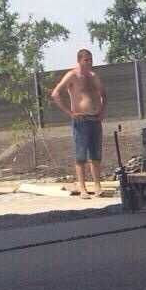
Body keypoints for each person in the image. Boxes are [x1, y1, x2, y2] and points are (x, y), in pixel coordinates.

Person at [50, 48, 107, 198]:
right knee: (81, 156)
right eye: (86, 60)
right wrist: (70, 113)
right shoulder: (72, 76)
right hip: (81, 120)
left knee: (96, 155)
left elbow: (104, 94)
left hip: (95, 119)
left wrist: (102, 111)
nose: (89, 63)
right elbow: (55, 93)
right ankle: (82, 188)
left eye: (90, 60)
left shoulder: (94, 76)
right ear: (79, 60)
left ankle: (97, 186)